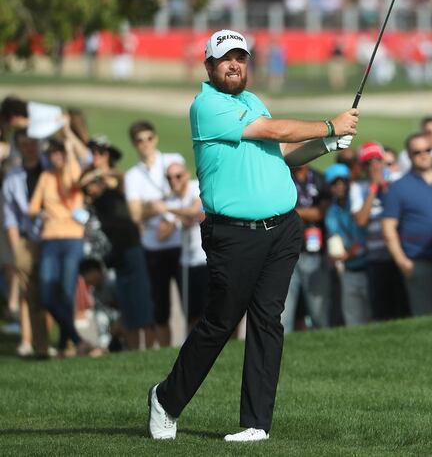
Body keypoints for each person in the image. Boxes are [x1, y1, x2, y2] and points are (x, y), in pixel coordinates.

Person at [147, 29, 358, 442]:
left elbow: (281, 153)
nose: (234, 64)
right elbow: (273, 131)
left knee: (268, 321)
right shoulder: (207, 106)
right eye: (226, 58)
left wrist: (326, 143)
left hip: (282, 230)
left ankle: (256, 423)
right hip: (234, 235)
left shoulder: (251, 101)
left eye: (241, 58)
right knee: (221, 323)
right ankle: (166, 400)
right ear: (208, 65)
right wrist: (330, 122)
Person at [28, 135, 98, 357]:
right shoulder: (46, 177)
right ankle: (77, 340)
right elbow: (32, 208)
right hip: (50, 238)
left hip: (72, 238)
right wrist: (41, 212)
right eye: (52, 153)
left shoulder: (73, 169)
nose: (55, 156)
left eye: (59, 152)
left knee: (67, 294)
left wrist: (69, 148)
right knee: (48, 294)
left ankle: (63, 346)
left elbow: (73, 183)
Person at [382, 132, 432, 317]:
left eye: (427, 150)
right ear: (409, 156)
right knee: (423, 319)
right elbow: (388, 228)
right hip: (418, 263)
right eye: (417, 152)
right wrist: (403, 262)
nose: (424, 155)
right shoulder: (398, 187)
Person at [80, 168, 156, 350]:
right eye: (86, 188)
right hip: (118, 255)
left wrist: (101, 174)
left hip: (132, 249)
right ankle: (135, 352)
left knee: (143, 306)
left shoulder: (114, 193)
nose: (90, 189)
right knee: (128, 309)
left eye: (92, 184)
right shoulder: (95, 204)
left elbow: (123, 178)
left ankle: (150, 350)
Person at [124, 120, 184, 347]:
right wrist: (155, 208)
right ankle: (166, 351)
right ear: (134, 144)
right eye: (140, 140)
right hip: (153, 246)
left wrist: (165, 217)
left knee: (192, 303)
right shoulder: (132, 176)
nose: (145, 144)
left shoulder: (172, 160)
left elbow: (185, 195)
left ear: (155, 138)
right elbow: (135, 214)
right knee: (160, 307)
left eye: (149, 138)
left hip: (179, 240)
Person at [3, 131, 49, 358]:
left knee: (50, 290)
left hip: (52, 237)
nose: (29, 147)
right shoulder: (13, 177)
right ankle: (31, 341)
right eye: (24, 144)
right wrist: (15, 247)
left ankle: (51, 342)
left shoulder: (49, 170)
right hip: (25, 240)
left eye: (32, 142)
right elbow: (10, 217)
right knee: (27, 292)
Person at [350, 141, 409, 321]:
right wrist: (373, 188)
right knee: (382, 311)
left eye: (377, 160)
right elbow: (361, 220)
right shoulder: (358, 188)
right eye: (369, 162)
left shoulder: (398, 181)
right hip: (376, 258)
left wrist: (383, 184)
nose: (374, 166)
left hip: (400, 254)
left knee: (404, 308)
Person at [281, 164, 331, 333]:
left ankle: (324, 345)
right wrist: (308, 212)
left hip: (314, 251)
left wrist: (292, 211)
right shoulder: (282, 175)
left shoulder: (319, 177)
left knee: (319, 309)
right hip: (286, 252)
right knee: (283, 311)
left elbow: (320, 213)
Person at [324, 163, 371, 327]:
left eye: (342, 182)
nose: (339, 187)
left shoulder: (359, 201)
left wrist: (351, 252)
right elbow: (336, 240)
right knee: (353, 318)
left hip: (370, 265)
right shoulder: (332, 212)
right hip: (349, 269)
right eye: (334, 184)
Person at [163, 162, 208, 327]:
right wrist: (177, 222)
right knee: (192, 315)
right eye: (169, 178)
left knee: (212, 312)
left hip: (206, 260)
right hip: (186, 263)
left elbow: (195, 211)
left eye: (178, 176)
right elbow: (161, 234)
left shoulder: (195, 187)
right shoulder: (170, 200)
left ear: (187, 175)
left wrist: (169, 211)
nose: (173, 181)